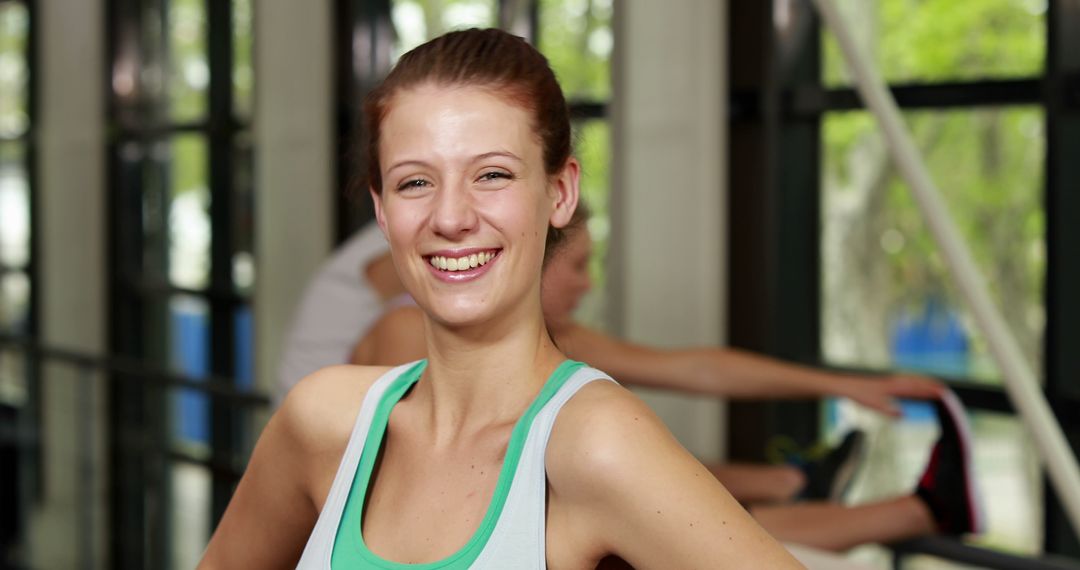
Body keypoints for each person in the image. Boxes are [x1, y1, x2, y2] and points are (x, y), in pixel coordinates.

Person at [201, 28, 802, 567]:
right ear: (383, 213)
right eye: (415, 182)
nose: (452, 217)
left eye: (492, 174)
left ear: (560, 192)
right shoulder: (323, 420)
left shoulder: (595, 443)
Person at [348, 203, 985, 551]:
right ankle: (870, 500)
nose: (587, 284)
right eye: (578, 265)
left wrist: (842, 385)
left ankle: (902, 507)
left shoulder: (532, 339)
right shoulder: (416, 336)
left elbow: (695, 367)